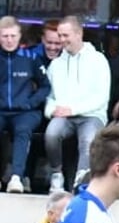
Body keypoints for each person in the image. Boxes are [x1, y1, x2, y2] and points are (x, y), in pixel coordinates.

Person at [41, 17, 110, 195]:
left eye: (66, 35)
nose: (62, 40)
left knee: (88, 140)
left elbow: (102, 97)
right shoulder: (56, 64)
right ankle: (57, 175)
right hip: (64, 115)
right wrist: (52, 110)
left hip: (92, 115)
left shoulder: (98, 60)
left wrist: (73, 109)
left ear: (79, 34)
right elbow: (49, 95)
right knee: (51, 134)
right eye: (60, 35)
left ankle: (81, 182)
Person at [1, 15, 50, 193]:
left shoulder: (30, 57)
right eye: (5, 36)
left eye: (13, 36)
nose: (9, 40)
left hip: (25, 110)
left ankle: (16, 177)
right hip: (1, 110)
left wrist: (31, 103)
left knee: (23, 130)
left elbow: (45, 86)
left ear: (19, 36)